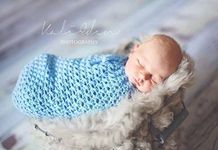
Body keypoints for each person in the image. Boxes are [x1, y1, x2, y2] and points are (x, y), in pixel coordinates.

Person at [11, 34, 183, 119]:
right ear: (133, 50)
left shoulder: (135, 100)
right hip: (56, 76)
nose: (143, 76)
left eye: (154, 78)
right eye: (141, 63)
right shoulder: (114, 61)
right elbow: (81, 65)